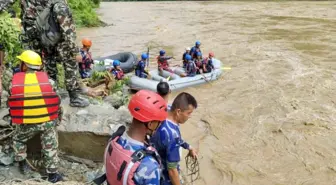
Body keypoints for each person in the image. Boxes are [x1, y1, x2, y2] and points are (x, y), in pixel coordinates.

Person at [19, 0, 89, 107]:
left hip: (47, 39)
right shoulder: (61, 6)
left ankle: (52, 94)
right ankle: (74, 97)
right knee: (71, 64)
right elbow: (68, 31)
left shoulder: (51, 3)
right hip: (61, 43)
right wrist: (75, 52)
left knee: (50, 65)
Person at [8, 50, 63, 183]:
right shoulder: (50, 82)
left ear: (25, 65)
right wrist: (57, 119)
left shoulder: (14, 83)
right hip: (46, 122)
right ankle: (53, 174)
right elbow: (57, 101)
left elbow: (12, 103)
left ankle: (23, 163)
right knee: (50, 144)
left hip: (27, 123)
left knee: (17, 138)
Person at [95, 90, 168, 185]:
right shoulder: (149, 165)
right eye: (159, 123)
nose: (159, 126)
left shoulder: (115, 140)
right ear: (150, 124)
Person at [151, 92, 198, 185]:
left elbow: (177, 139)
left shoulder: (165, 111)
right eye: (188, 113)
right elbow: (172, 170)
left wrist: (189, 147)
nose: (190, 116)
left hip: (155, 156)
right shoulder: (172, 136)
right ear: (178, 112)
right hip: (163, 175)